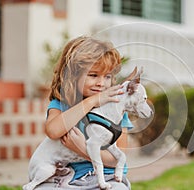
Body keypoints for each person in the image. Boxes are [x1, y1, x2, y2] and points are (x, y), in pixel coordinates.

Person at [35, 36, 133, 189]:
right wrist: (91, 102)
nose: (101, 83)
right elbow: (53, 131)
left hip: (106, 177)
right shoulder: (61, 105)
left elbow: (116, 159)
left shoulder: (116, 110)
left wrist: (82, 148)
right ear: (72, 76)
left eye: (107, 76)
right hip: (66, 178)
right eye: (93, 75)